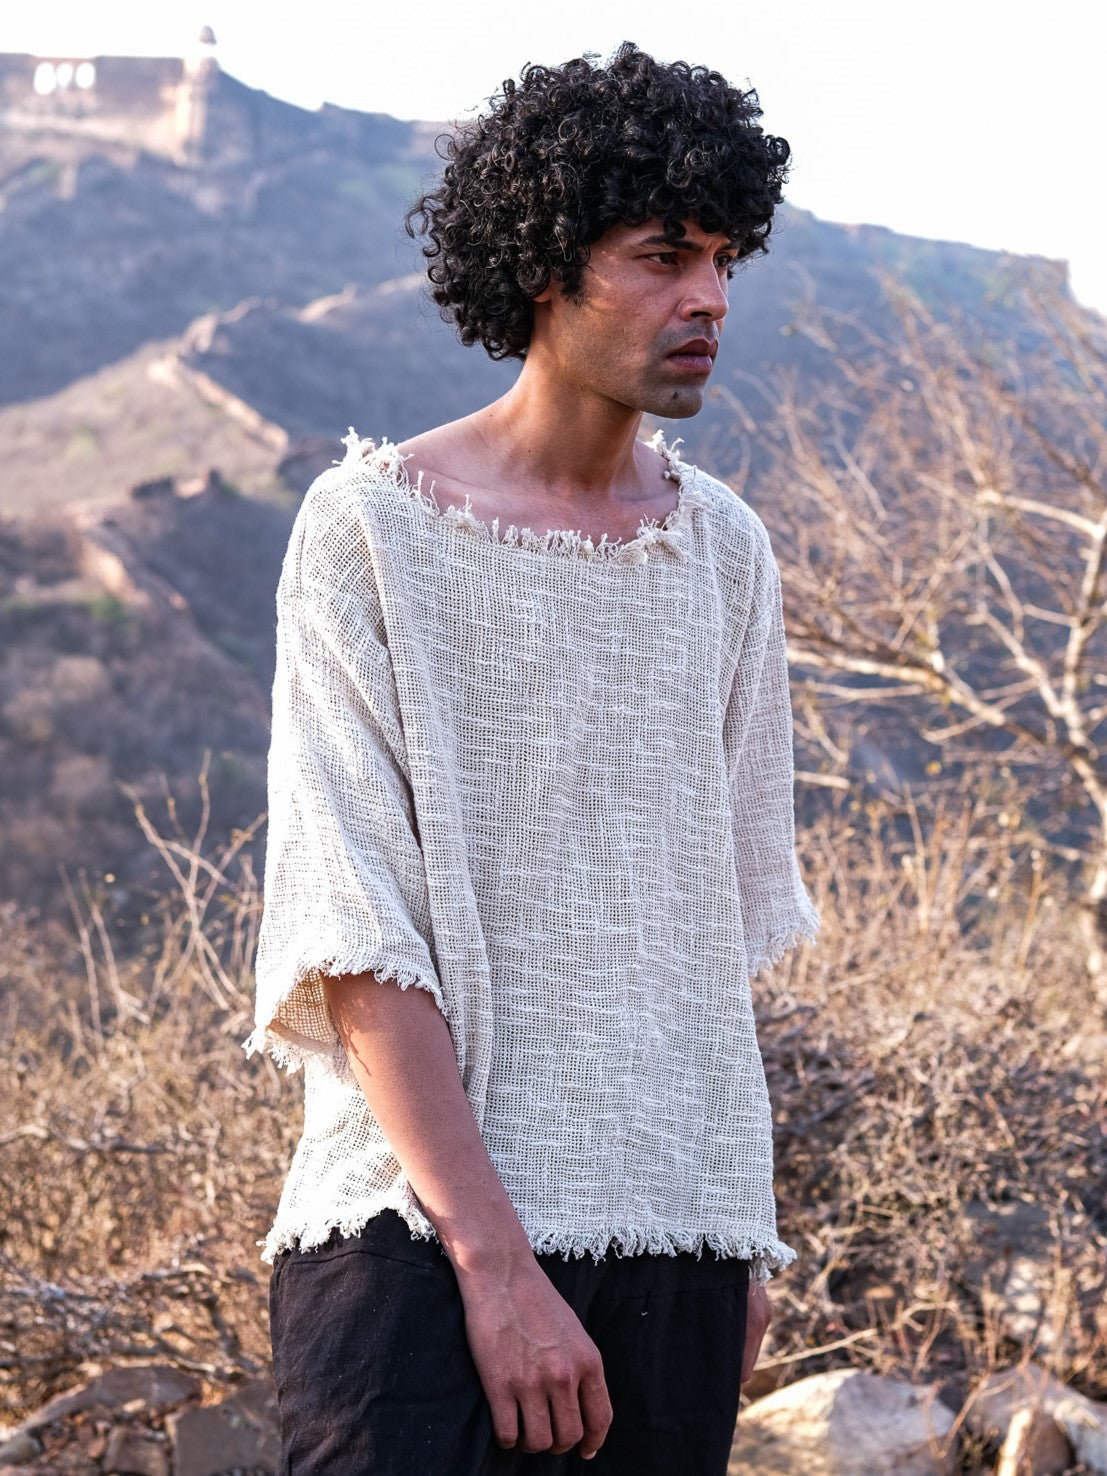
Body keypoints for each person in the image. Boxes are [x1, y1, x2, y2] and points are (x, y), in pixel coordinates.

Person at [245, 41, 818, 1476]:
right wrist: (495, 1269)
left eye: (725, 258)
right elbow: (354, 934)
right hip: (413, 1244)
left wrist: (736, 1230)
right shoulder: (370, 532)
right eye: (663, 256)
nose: (709, 298)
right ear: (545, 268)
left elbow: (712, 932)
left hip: (677, 1247)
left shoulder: (725, 553)